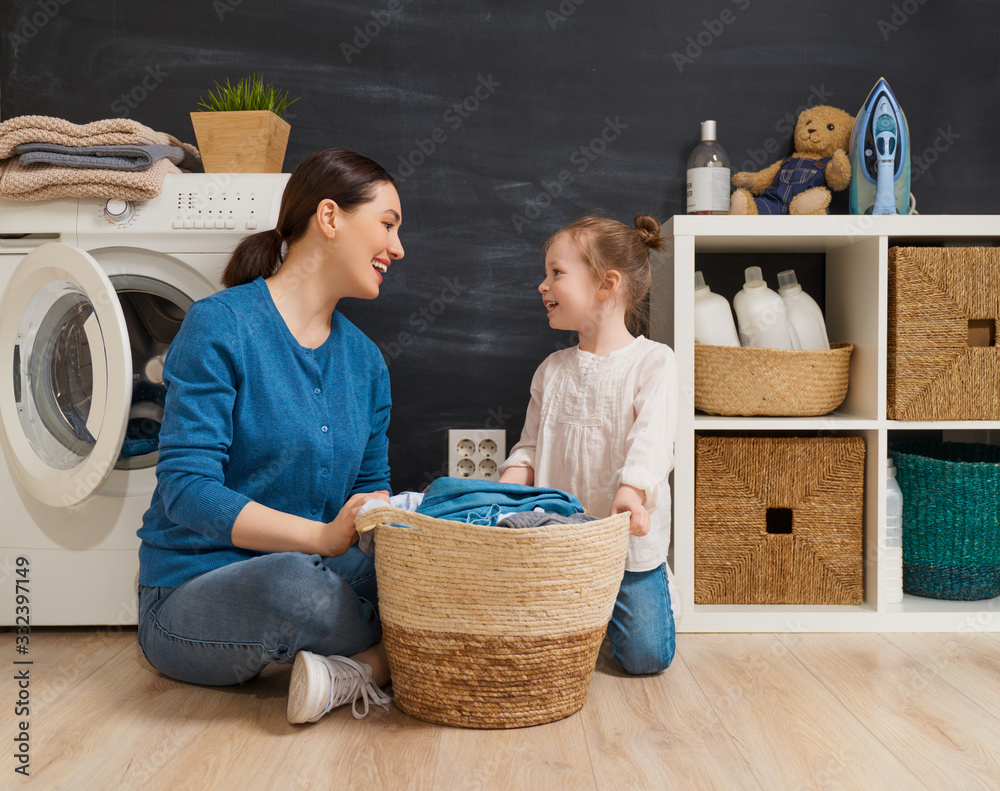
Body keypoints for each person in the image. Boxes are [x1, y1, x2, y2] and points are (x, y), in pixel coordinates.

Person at [135, 148, 404, 724]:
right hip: (195, 588)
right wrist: (323, 539)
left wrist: (393, 531)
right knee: (293, 586)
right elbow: (186, 489)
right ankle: (388, 658)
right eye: (387, 224)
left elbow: (369, 492)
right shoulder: (220, 325)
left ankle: (361, 665)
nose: (397, 248)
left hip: (324, 573)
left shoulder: (366, 362)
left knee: (425, 564)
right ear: (330, 218)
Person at [498, 213, 679, 675]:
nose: (543, 285)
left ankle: (653, 594)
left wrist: (631, 492)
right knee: (528, 647)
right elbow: (531, 447)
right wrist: (510, 485)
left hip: (624, 546)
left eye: (556, 273)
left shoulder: (653, 362)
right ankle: (580, 619)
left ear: (606, 284)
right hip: (559, 543)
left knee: (645, 657)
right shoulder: (552, 369)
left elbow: (652, 442)